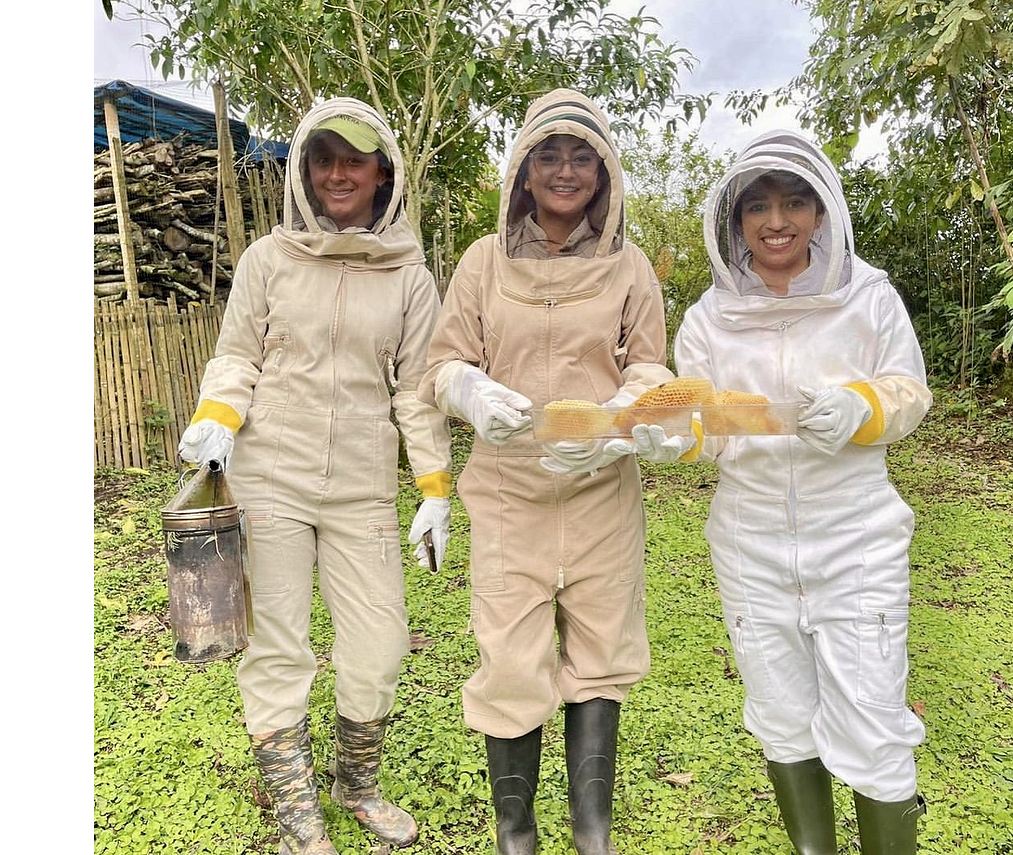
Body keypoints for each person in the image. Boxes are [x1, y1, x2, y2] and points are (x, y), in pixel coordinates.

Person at [416, 88, 690, 855]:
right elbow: (442, 364)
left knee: (601, 654)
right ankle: (517, 835)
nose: (565, 171)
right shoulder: (482, 262)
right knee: (510, 658)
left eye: (581, 156)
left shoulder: (630, 265)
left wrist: (620, 422)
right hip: (509, 493)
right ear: (523, 171)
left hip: (604, 493)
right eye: (549, 155)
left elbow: (649, 366)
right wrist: (471, 391)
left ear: (603, 174)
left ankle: (592, 834)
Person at [177, 97, 452, 855]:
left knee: (381, 642)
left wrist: (433, 486)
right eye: (324, 157)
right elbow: (239, 354)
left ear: (382, 172)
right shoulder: (268, 260)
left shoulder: (409, 277)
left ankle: (354, 783)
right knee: (279, 643)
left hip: (363, 481)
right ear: (304, 168)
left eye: (354, 159)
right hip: (273, 474)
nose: (338, 172)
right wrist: (219, 417)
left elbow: (416, 389)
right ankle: (295, 801)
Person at [672, 129, 932, 855]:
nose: (776, 220)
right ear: (734, 220)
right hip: (748, 539)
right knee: (781, 710)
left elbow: (909, 391)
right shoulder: (707, 318)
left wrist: (862, 405)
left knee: (873, 715)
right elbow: (706, 425)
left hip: (855, 535)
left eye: (794, 202)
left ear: (823, 214)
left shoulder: (868, 298)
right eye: (758, 206)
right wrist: (677, 434)